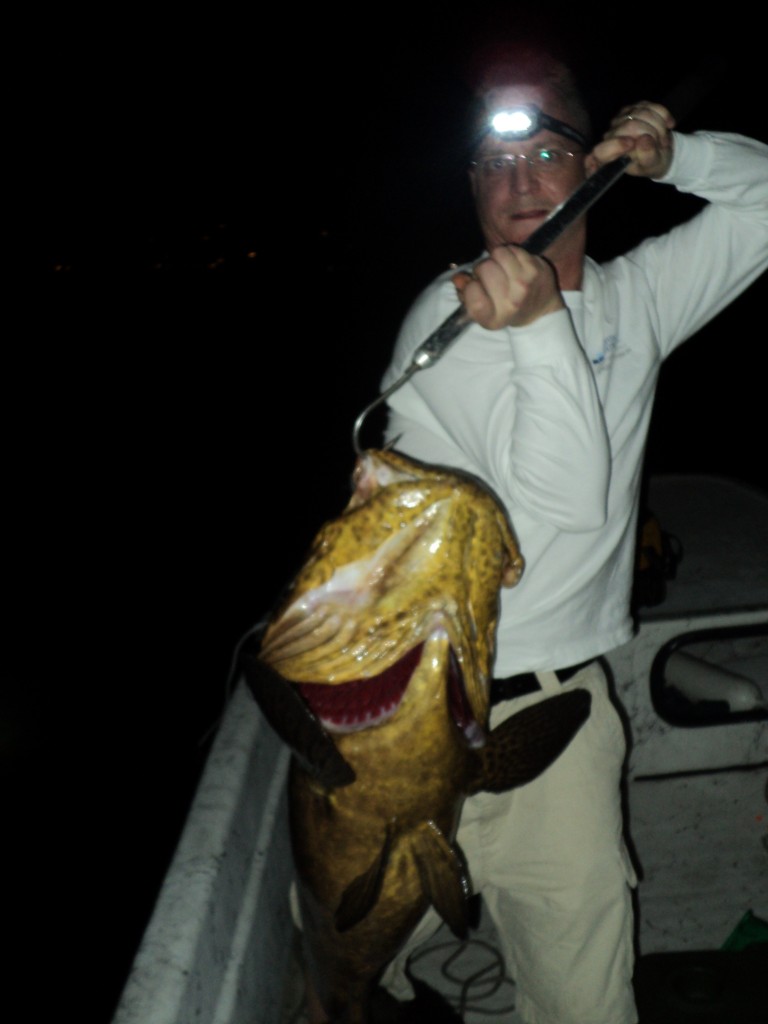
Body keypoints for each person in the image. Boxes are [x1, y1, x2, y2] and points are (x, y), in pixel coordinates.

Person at [376, 41, 768, 1024]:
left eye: (544, 149)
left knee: (588, 1005)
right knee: (346, 965)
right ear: (469, 181)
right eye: (491, 160)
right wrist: (542, 325)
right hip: (420, 714)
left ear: (592, 162)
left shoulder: (637, 298)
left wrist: (678, 159)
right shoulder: (450, 318)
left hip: (563, 728)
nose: (515, 179)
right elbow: (568, 507)